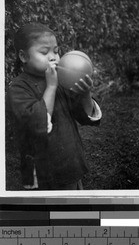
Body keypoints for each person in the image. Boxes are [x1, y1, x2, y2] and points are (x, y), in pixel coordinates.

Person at [7, 22, 102, 190]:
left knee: (73, 211)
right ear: (23, 56)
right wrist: (51, 87)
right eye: (44, 52)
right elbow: (37, 124)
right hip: (42, 174)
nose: (53, 57)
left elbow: (84, 116)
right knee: (49, 212)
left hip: (70, 164)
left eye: (56, 51)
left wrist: (85, 93)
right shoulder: (18, 88)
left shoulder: (63, 79)